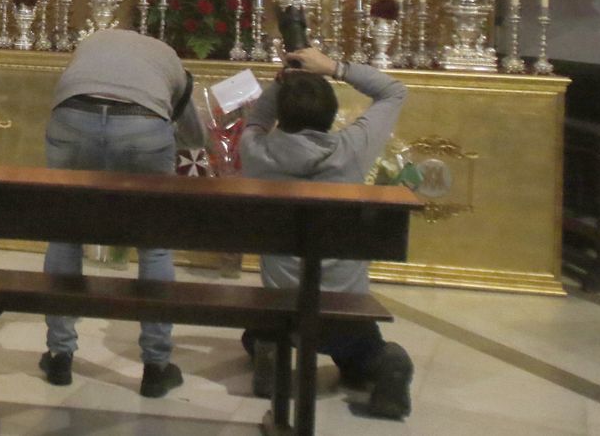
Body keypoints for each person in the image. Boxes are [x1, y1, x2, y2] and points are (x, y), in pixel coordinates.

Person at [239, 46, 414, 419]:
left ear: (282, 113)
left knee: (253, 334)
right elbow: (394, 91)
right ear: (332, 114)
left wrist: (284, 82)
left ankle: (271, 352)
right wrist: (336, 67)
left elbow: (257, 120)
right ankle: (384, 365)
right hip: (344, 312)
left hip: (284, 308)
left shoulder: (256, 151)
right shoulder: (352, 149)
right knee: (361, 352)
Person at [38, 28, 207, 397]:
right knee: (155, 245)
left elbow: (69, 88)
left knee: (65, 236)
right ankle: (156, 366)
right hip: (141, 123)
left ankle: (59, 355)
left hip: (73, 116)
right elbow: (195, 136)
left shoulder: (93, 41)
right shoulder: (170, 60)